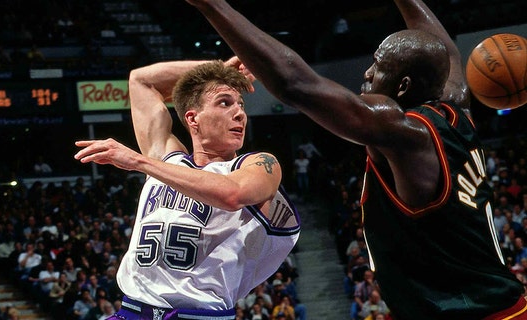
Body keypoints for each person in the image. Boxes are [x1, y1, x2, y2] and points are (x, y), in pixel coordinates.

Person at [186, 0, 527, 318]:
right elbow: (447, 53)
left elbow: (296, 85)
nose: (366, 73)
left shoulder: (409, 137)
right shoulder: (456, 107)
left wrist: (211, 5)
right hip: (496, 304)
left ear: (404, 86)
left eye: (378, 66)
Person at [74, 56, 300, 319]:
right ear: (193, 119)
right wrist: (219, 70)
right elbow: (140, 80)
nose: (239, 113)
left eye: (240, 105)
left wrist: (138, 161)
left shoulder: (259, 164)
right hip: (131, 311)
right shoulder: (167, 158)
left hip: (200, 315)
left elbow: (232, 194)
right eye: (225, 103)